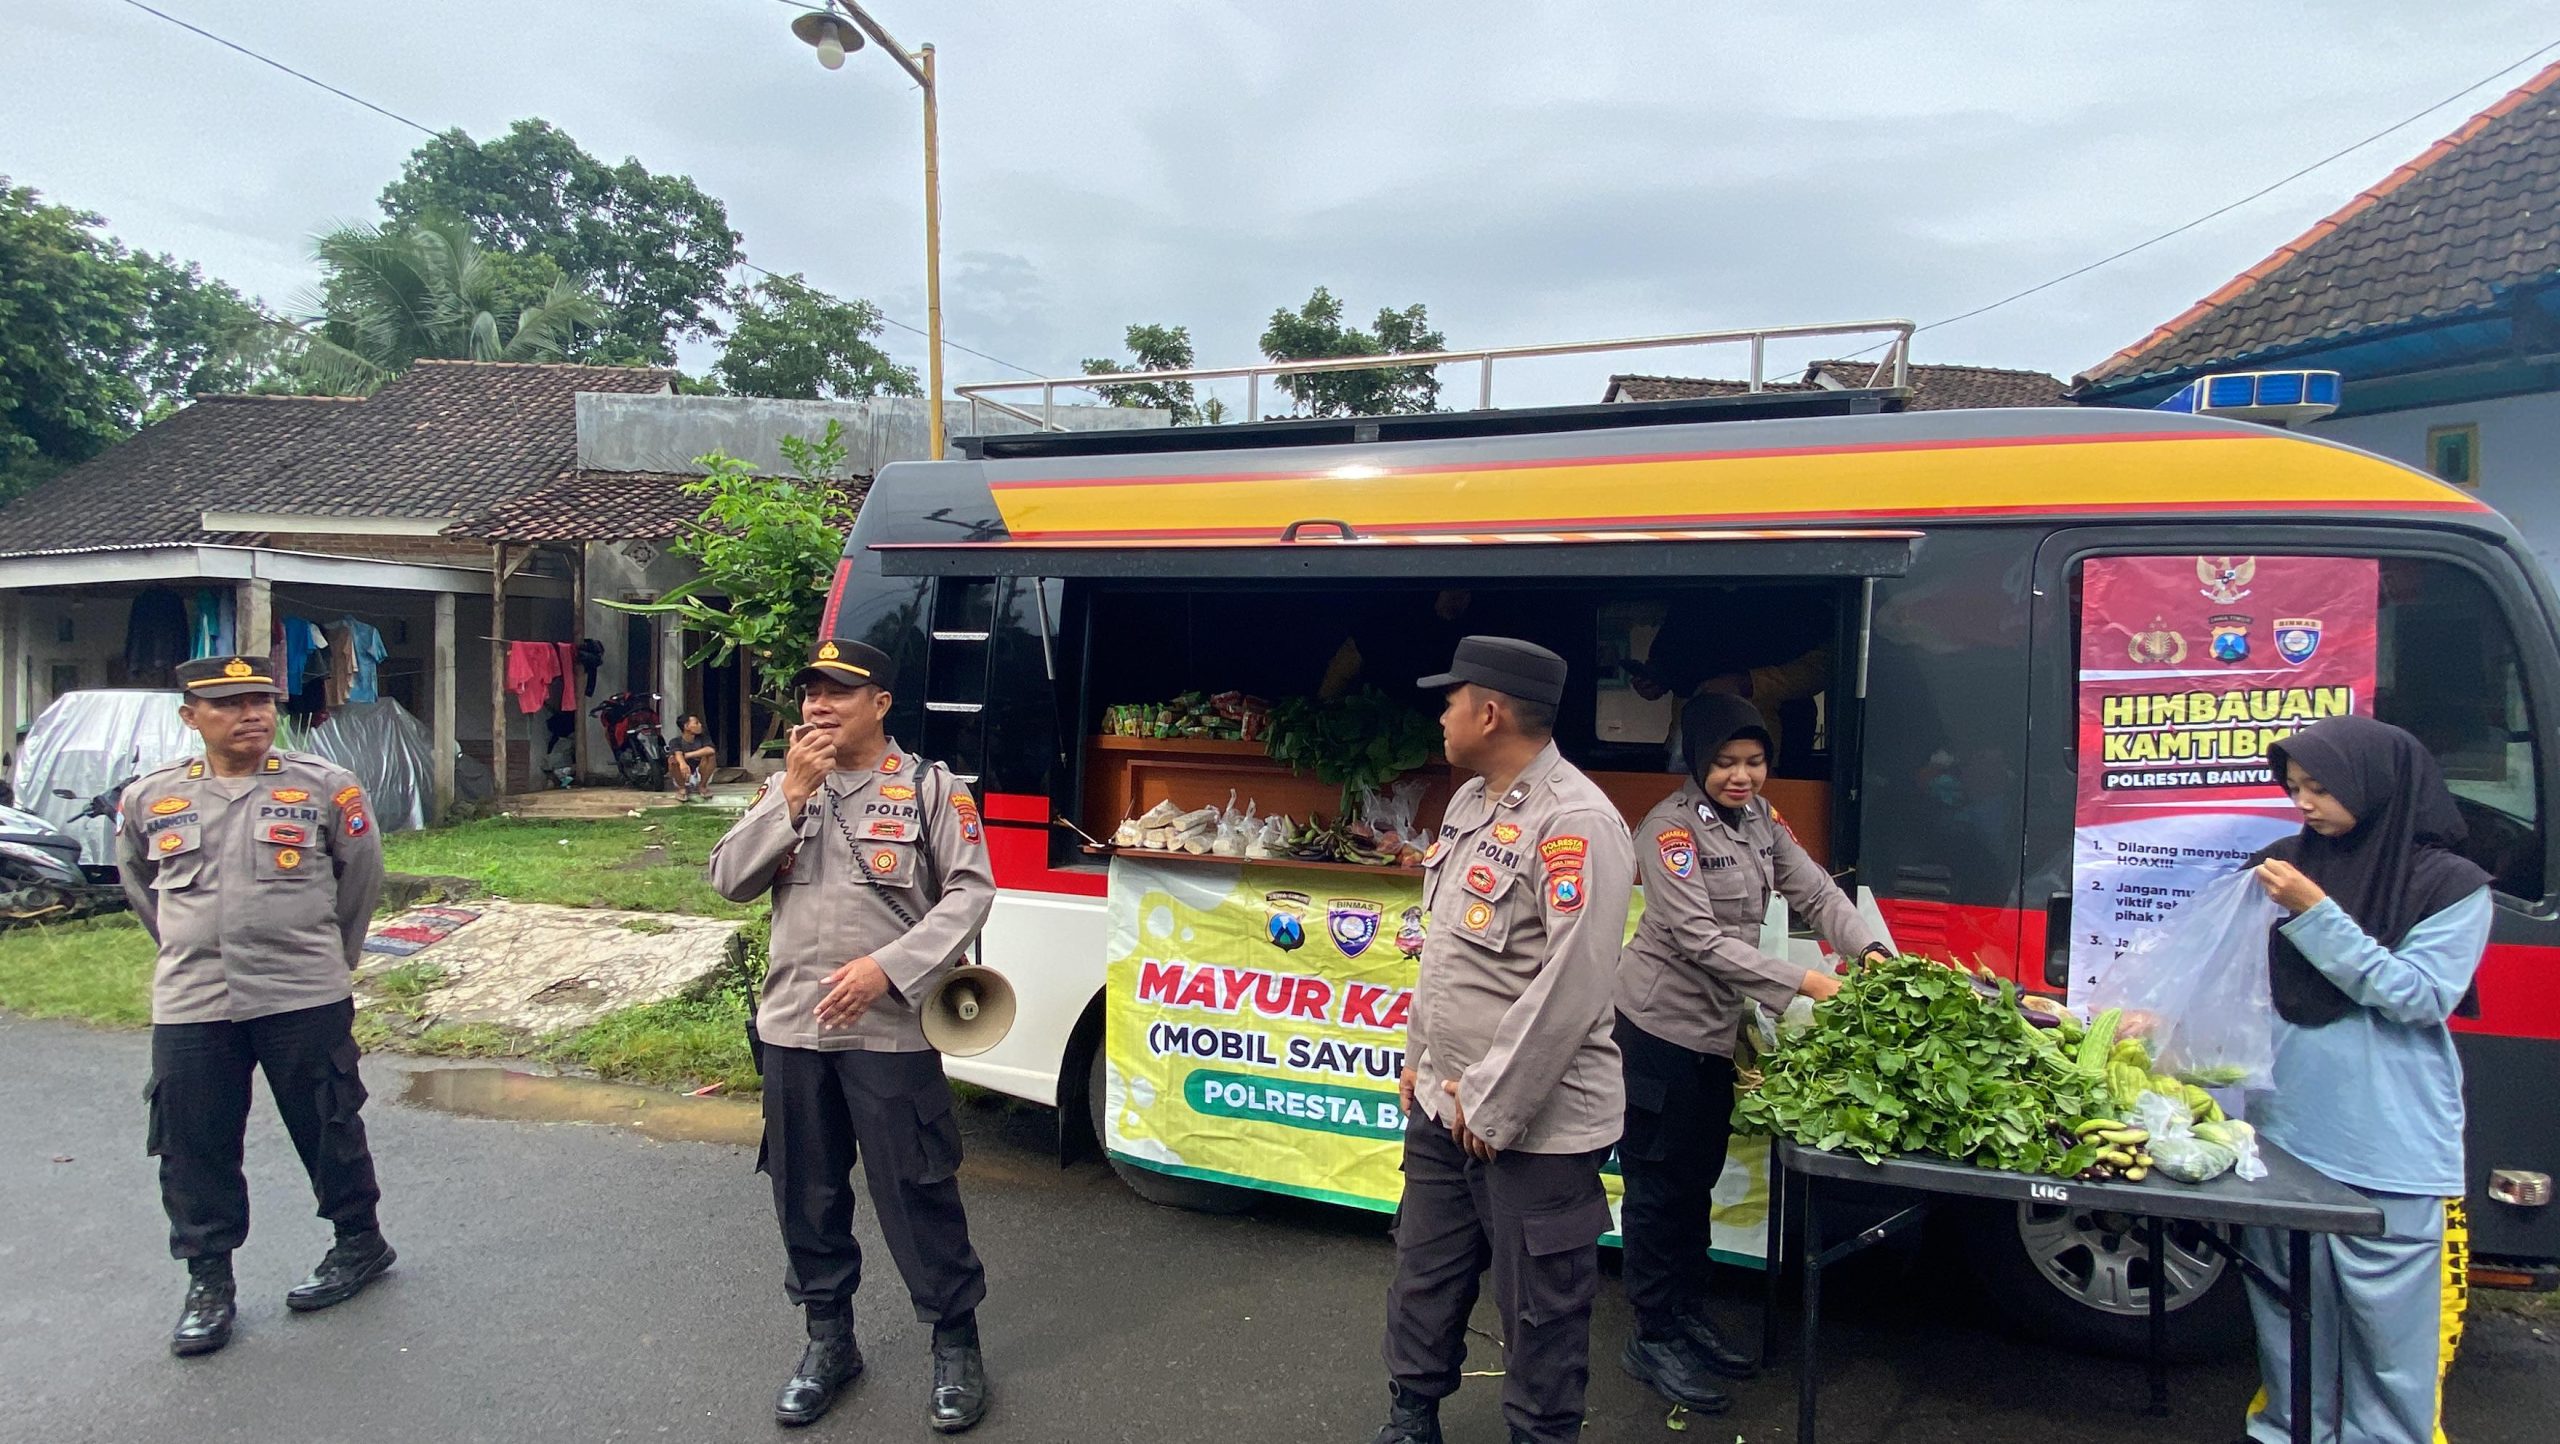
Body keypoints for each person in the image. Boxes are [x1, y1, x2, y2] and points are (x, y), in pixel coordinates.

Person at [708, 638, 998, 1432]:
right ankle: (828, 1341)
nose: (818, 705)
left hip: (889, 1030)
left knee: (916, 1189)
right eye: (811, 692)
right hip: (793, 1031)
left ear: (880, 704)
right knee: (805, 1192)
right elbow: (729, 880)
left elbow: (970, 893)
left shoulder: (931, 789)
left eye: (838, 691)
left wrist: (887, 969)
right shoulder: (786, 787)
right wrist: (790, 798)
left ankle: (955, 1345)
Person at [1370, 637, 1635, 1444]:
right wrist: (1419, 1061)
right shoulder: (1468, 803)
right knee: (1426, 1272)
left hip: (1534, 1125)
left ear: (1490, 713)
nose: (1441, 715)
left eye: (1451, 700)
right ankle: (1411, 1416)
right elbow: (1445, 951)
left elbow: (1574, 985)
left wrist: (1494, 1103)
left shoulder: (1577, 822)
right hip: (1444, 1104)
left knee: (1540, 1308)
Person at [1612, 694, 1890, 1410]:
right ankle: (1652, 1333)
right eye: (1725, 762)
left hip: (1713, 1033)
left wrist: (1872, 953)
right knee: (1658, 1186)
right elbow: (1698, 940)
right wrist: (1806, 982)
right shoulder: (1668, 830)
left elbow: (1818, 893)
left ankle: (1686, 1312)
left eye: (1755, 761)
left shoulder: (1762, 820)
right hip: (1658, 1031)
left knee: (1697, 1177)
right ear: (1697, 760)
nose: (1742, 776)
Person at [114, 653, 392, 1358]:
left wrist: (328, 959)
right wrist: (190, 946)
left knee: (327, 1119)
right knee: (191, 1140)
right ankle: (209, 1280)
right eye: (230, 705)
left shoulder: (326, 787)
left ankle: (359, 1241)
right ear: (191, 717)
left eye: (261, 702)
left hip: (301, 988)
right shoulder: (150, 798)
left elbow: (360, 880)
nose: (251, 715)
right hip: (193, 998)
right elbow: (141, 886)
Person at [2238, 715, 2490, 1444]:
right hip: (2285, 1133)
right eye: (2294, 787)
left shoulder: (2449, 885)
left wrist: (2317, 914)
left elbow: (2419, 994)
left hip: (2389, 1146)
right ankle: (2290, 1433)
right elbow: (2238, 973)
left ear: (2376, 786)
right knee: (2287, 1313)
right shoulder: (2285, 862)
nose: (2303, 803)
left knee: (2391, 1340)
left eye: (2320, 788)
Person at [668, 713, 719, 800]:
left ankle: (702, 786)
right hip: (683, 775)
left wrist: (687, 755)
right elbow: (677, 753)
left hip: (700, 774)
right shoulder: (675, 741)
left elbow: (711, 750)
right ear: (686, 726)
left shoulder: (703, 738)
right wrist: (683, 764)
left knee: (710, 756)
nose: (700, 725)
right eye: (696, 723)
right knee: (673, 760)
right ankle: (682, 788)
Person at [541, 711, 577, 790]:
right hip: (562, 765)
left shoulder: (556, 741)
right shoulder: (567, 740)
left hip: (559, 766)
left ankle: (564, 782)